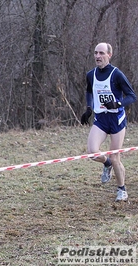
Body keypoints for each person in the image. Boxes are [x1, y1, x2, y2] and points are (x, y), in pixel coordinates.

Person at [80, 42, 136, 202]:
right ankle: (106, 163)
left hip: (116, 121)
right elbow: (89, 91)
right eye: (96, 53)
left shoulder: (117, 74)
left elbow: (132, 96)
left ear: (109, 55)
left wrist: (118, 104)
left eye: (101, 53)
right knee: (92, 152)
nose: (98, 56)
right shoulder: (91, 74)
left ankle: (122, 190)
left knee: (116, 157)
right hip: (101, 119)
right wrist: (89, 108)